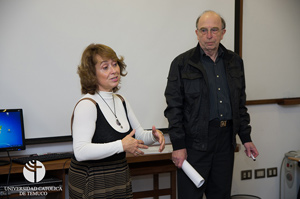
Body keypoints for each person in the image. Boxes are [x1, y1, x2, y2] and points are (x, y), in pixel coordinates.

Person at [164, 10, 259, 199]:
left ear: (223, 32)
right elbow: (174, 108)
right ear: (196, 33)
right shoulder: (182, 63)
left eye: (214, 30)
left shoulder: (235, 62)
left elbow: (240, 103)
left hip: (225, 142)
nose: (209, 36)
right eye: (204, 30)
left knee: (221, 196)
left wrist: (246, 137)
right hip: (194, 145)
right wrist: (178, 145)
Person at [68, 43, 165, 199]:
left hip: (118, 176)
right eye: (105, 67)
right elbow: (80, 152)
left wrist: (154, 136)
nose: (114, 71)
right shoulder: (87, 104)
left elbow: (137, 134)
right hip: (93, 179)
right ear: (91, 73)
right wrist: (121, 145)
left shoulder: (121, 100)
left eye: (115, 64)